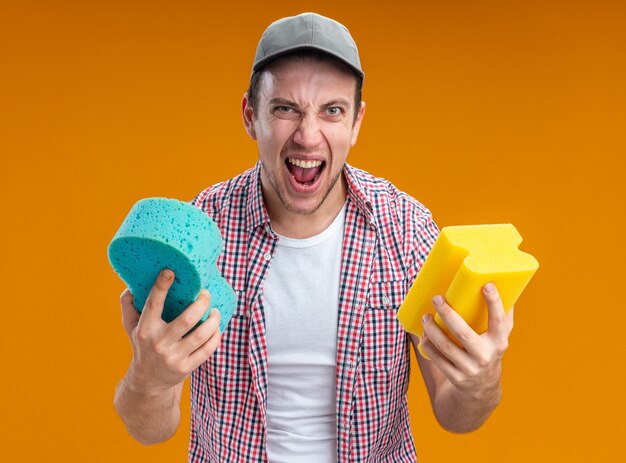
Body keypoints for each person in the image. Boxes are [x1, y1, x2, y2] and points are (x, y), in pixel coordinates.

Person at [114, 12, 514, 462]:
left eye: (332, 111)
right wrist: (147, 379)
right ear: (250, 115)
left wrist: (481, 381)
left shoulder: (405, 228)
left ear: (357, 122)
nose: (308, 136)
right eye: (285, 109)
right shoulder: (201, 231)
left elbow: (456, 414)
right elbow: (150, 428)